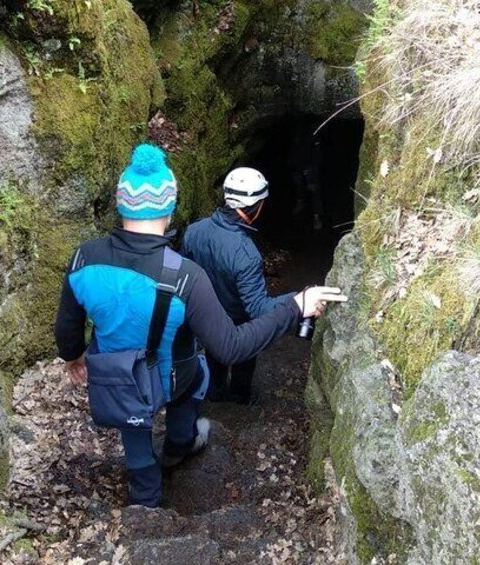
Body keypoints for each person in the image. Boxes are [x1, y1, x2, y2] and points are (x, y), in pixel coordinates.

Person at [54, 144, 346, 508]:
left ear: (122, 203)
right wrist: (295, 305)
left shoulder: (84, 258)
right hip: (173, 373)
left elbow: (68, 325)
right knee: (194, 380)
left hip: (116, 375)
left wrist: (72, 357)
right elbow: (232, 348)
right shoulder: (184, 278)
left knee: (134, 425)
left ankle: (143, 503)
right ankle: (178, 446)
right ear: (169, 205)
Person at [181, 167, 291, 404]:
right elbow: (258, 308)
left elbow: (185, 274)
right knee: (244, 355)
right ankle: (240, 396)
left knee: (214, 353)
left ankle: (216, 393)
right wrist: (297, 301)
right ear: (258, 205)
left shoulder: (194, 231)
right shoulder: (245, 254)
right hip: (237, 318)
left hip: (206, 314)